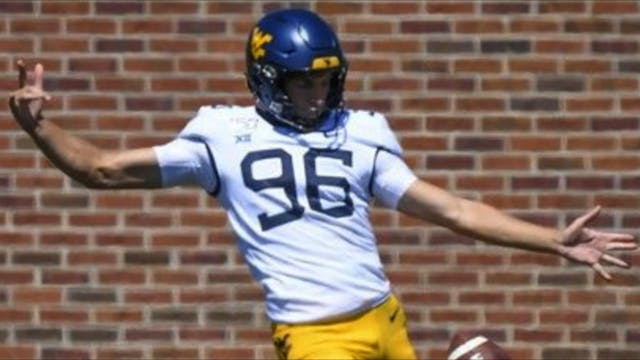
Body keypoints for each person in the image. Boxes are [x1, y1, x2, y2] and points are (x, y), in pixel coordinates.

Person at [8, 8, 637, 360]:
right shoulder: (222, 135)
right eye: (300, 82)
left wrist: (551, 240)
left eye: (324, 81)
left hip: (385, 320)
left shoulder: (358, 131)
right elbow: (100, 169)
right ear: (265, 79)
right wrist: (42, 130)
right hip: (317, 336)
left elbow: (449, 209)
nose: (315, 96)